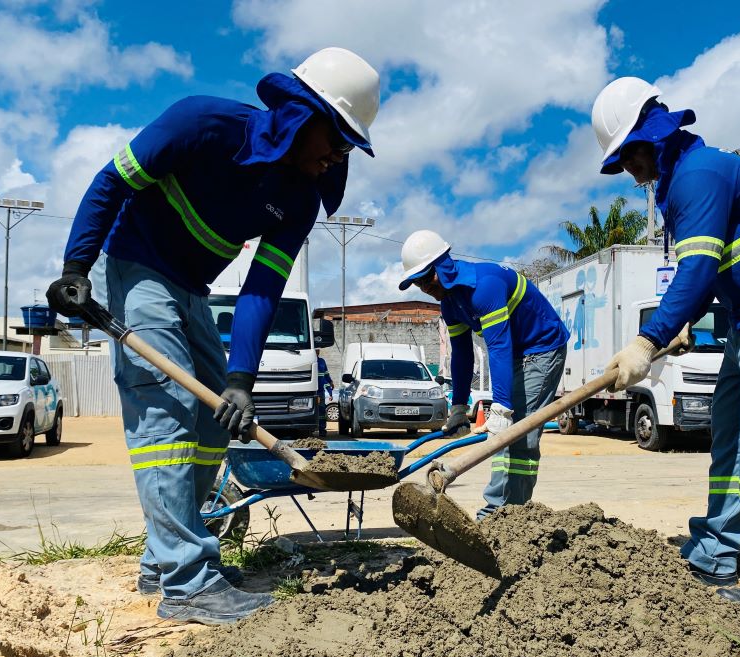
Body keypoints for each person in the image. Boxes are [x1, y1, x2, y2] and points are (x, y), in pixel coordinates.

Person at [46, 48, 380, 625]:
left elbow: (260, 290)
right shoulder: (201, 124)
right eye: (339, 138)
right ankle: (187, 583)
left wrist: (240, 379)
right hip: (136, 265)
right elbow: (109, 183)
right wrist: (77, 267)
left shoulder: (298, 199)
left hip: (193, 289)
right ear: (304, 114)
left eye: (349, 147)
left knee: (214, 422)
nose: (338, 156)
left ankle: (166, 559)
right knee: (167, 413)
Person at [590, 77, 740, 621]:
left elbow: (699, 268)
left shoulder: (698, 177)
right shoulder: (682, 181)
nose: (629, 173)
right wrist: (684, 322)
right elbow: (707, 272)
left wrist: (647, 339)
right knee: (731, 435)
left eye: (628, 157)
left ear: (649, 139)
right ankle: (716, 551)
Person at [398, 230, 570, 519]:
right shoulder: (450, 304)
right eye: (417, 283)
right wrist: (459, 406)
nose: (424, 287)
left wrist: (501, 408)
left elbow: (498, 345)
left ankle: (505, 515)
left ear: (443, 266)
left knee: (518, 433)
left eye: (427, 278)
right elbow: (462, 354)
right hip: (515, 354)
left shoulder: (484, 287)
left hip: (542, 349)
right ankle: (502, 512)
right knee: (503, 435)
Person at [316, 349, 334, 438]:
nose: (317, 352)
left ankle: (322, 430)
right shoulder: (308, 360)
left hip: (320, 392)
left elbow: (325, 375)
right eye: (316, 350)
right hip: (309, 392)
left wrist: (330, 383)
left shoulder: (322, 361)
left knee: (321, 412)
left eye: (318, 350)